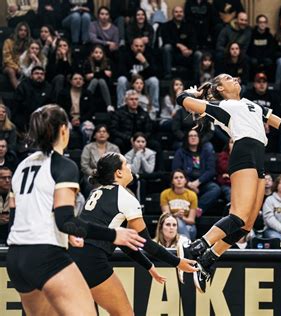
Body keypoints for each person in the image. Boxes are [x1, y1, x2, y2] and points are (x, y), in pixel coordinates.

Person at [177, 73, 281, 292]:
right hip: (243, 153)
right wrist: (191, 93)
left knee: (246, 225)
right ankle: (193, 248)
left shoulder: (253, 105)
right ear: (220, 88)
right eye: (229, 79)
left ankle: (207, 260)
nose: (236, 80)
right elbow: (182, 101)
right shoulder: (223, 106)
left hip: (258, 157)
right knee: (238, 216)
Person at [6, 105, 146, 315]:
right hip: (45, 255)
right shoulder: (64, 165)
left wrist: (66, 235)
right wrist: (114, 234)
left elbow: (16, 218)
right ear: (64, 129)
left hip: (16, 257)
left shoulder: (22, 166)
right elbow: (67, 221)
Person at [69, 152, 197, 315]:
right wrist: (177, 262)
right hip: (92, 259)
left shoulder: (97, 191)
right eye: (126, 164)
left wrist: (148, 266)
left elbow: (124, 242)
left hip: (73, 255)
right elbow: (145, 242)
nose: (130, 167)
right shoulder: (126, 198)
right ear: (119, 172)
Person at [171, 129, 220, 214]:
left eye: (195, 136)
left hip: (203, 183)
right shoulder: (180, 152)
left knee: (215, 189)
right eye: (190, 136)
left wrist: (197, 182)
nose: (193, 138)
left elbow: (211, 171)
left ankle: (197, 209)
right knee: (179, 187)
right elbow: (176, 170)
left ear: (199, 138)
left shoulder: (206, 151)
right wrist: (189, 183)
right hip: (186, 183)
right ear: (187, 138)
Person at [117, 37, 160, 111]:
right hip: (130, 82)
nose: (139, 48)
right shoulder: (126, 55)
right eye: (136, 46)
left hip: (144, 83)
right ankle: (121, 107)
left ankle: (154, 108)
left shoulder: (149, 55)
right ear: (132, 47)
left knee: (154, 81)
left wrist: (144, 62)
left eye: (141, 46)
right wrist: (134, 78)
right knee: (121, 80)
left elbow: (154, 73)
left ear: (144, 47)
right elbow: (121, 71)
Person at [161, 6, 201, 80]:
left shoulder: (189, 26)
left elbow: (194, 41)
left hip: (187, 54)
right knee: (167, 47)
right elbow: (166, 40)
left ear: (183, 14)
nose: (179, 14)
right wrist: (178, 45)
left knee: (198, 54)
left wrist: (191, 50)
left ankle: (197, 79)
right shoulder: (166, 26)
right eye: (176, 12)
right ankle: (168, 75)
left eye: (180, 12)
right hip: (173, 53)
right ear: (172, 14)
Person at [80, 124, 120, 195]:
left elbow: (118, 164)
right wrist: (95, 174)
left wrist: (109, 175)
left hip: (111, 176)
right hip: (93, 175)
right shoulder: (88, 148)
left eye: (104, 131)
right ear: (94, 135)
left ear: (108, 135)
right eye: (99, 131)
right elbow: (84, 165)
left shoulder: (114, 148)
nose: (102, 133)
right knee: (88, 183)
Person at [13, 66, 53, 133]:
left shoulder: (49, 87)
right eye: (36, 73)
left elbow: (51, 104)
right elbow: (17, 106)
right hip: (25, 117)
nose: (39, 76)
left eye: (42, 74)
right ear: (31, 76)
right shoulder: (23, 86)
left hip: (43, 118)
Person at [160, 170, 198, 240]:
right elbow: (166, 217)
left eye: (181, 177)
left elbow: (191, 220)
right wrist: (176, 215)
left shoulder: (192, 195)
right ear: (172, 181)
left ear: (185, 180)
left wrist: (182, 217)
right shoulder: (165, 194)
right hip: (170, 224)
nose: (179, 180)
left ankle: (184, 245)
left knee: (189, 228)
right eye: (176, 178)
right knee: (178, 221)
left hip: (188, 224)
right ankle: (187, 246)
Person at [83, 45, 113, 112]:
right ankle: (85, 102)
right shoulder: (88, 62)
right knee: (95, 80)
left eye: (100, 53)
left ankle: (109, 105)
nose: (98, 55)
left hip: (105, 85)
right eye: (96, 52)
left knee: (101, 80)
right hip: (90, 84)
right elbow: (87, 77)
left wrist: (94, 74)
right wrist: (102, 73)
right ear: (92, 53)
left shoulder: (107, 62)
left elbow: (109, 76)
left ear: (103, 54)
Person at [2, 22, 31, 89]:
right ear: (17, 31)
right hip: (9, 66)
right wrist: (17, 68)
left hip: (23, 67)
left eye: (25, 30)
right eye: (21, 30)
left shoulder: (29, 43)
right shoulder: (8, 41)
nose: (23, 32)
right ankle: (19, 90)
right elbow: (7, 59)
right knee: (11, 71)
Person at [0, 167, 12, 246]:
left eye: (9, 177)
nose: (7, 180)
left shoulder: (17, 194)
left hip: (11, 234)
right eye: (3, 178)